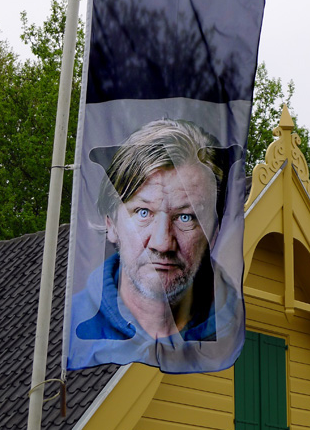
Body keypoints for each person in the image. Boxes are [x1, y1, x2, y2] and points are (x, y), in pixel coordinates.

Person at [68, 118, 242, 371]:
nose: (162, 243)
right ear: (111, 224)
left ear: (214, 232)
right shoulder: (66, 328)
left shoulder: (241, 330)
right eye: (143, 212)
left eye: (186, 217)